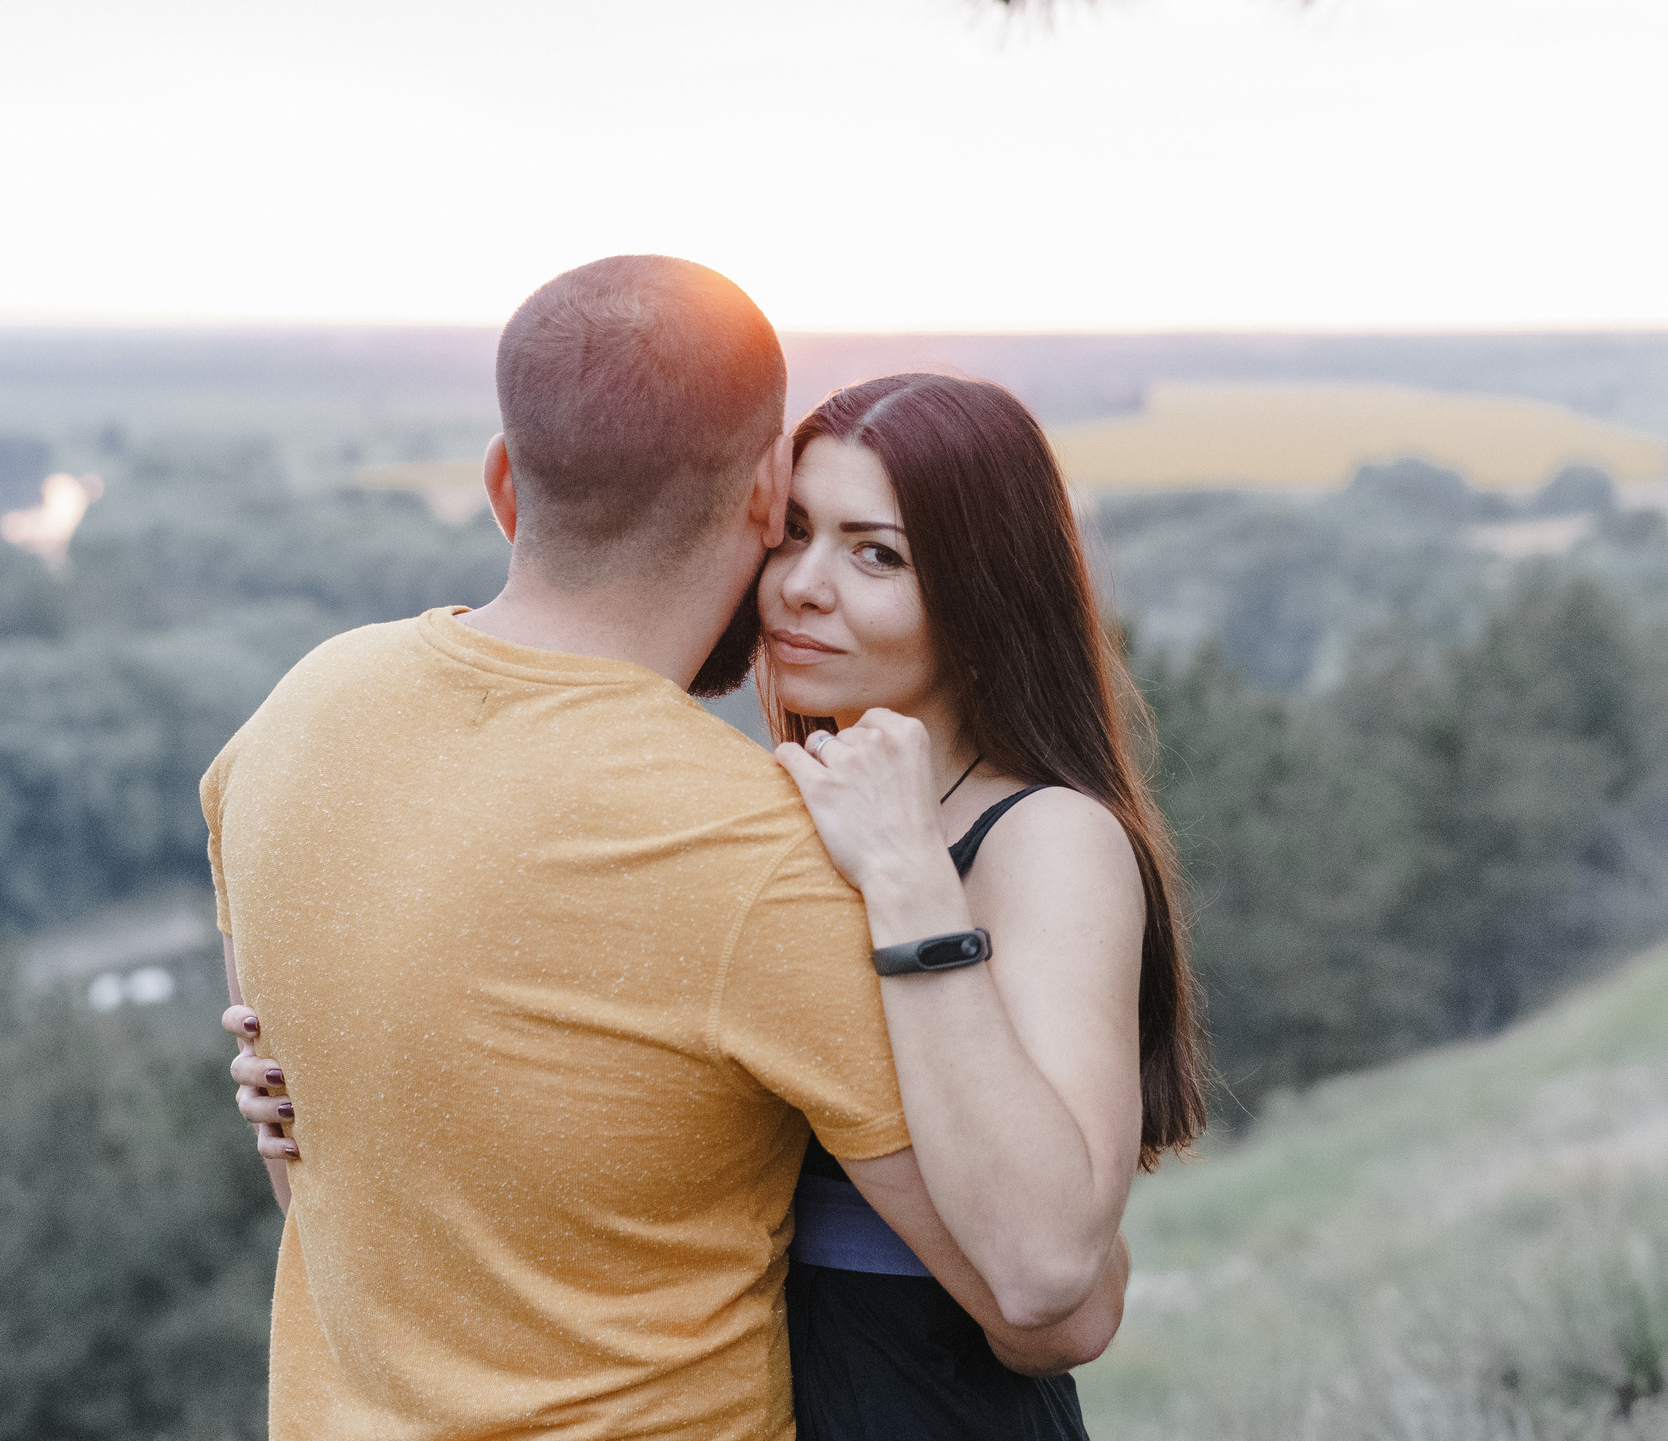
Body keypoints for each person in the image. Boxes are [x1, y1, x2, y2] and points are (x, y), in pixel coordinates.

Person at [201, 257, 1131, 1441]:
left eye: (876, 552)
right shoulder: (756, 842)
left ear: (502, 480)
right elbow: (1058, 1301)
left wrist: (340, 1097)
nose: (805, 586)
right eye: (800, 532)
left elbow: (1048, 1287)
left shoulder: (284, 725)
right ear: (764, 498)